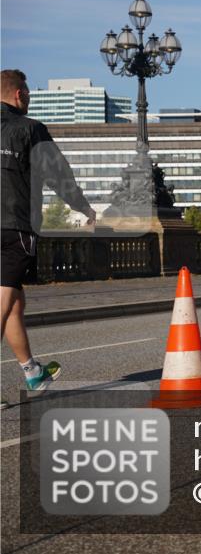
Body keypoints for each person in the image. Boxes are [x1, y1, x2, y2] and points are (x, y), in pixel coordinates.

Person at [2, 69, 97, 406]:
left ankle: (32, 372)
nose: (28, 98)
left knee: (14, 302)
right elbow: (59, 174)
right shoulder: (29, 129)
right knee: (2, 301)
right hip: (14, 226)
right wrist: (83, 207)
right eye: (27, 93)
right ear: (18, 95)